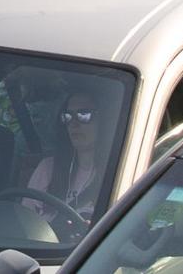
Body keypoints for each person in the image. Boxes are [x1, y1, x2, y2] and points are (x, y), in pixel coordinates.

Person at [26, 86, 118, 225]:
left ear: (104, 120)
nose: (74, 124)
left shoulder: (120, 172)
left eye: (84, 115)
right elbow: (23, 223)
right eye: (67, 117)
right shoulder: (47, 168)